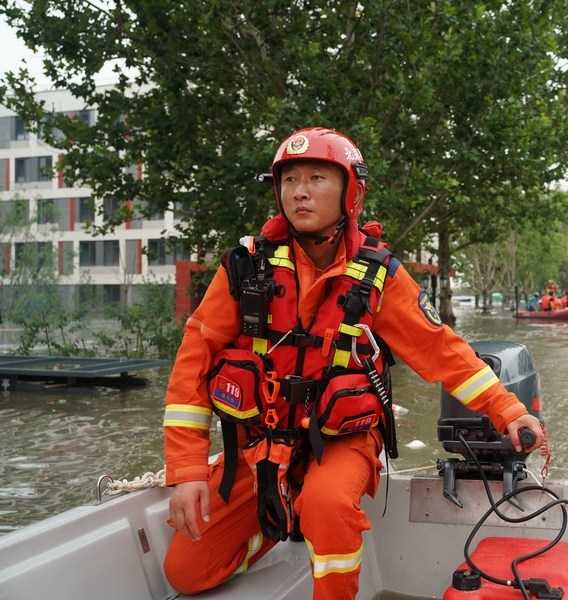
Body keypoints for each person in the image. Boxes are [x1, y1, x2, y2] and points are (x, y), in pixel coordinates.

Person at [161, 127, 544, 599]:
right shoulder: (244, 267)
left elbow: (443, 353)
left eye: (317, 177)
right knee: (187, 571)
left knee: (327, 503)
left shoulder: (379, 275)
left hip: (342, 439)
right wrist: (187, 472)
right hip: (262, 443)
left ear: (352, 191)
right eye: (289, 179)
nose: (299, 190)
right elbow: (193, 365)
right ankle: (281, 520)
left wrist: (508, 410)